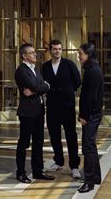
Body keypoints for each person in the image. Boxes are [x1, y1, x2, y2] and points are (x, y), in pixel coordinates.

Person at [14, 43, 54, 183]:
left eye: (34, 52)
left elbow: (39, 86)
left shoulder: (35, 69)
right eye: (31, 52)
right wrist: (42, 86)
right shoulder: (21, 71)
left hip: (38, 111)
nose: (35, 54)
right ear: (24, 56)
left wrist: (41, 87)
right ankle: (20, 173)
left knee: (38, 142)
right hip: (27, 112)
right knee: (24, 143)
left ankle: (38, 171)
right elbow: (39, 85)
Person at [41, 40, 81, 179]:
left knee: (71, 135)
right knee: (54, 135)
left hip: (67, 106)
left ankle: (74, 166)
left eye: (59, 49)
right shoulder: (45, 67)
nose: (57, 51)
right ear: (50, 50)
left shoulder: (69, 64)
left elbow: (77, 81)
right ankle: (58, 161)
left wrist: (67, 92)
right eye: (55, 49)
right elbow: (43, 84)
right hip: (52, 106)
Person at [77, 42, 104, 193]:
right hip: (92, 114)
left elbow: (91, 98)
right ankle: (96, 176)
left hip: (91, 115)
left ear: (88, 54)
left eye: (80, 53)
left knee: (88, 147)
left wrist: (83, 116)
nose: (79, 56)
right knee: (91, 146)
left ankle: (89, 182)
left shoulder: (93, 72)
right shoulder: (91, 70)